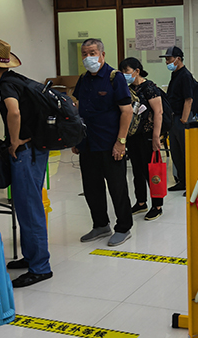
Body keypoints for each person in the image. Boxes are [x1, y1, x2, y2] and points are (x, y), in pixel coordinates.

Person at [0, 37, 53, 287]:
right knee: (28, 206)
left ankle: (40, 267)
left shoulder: (7, 86)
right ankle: (31, 257)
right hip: (37, 150)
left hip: (26, 153)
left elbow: (13, 112)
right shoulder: (18, 80)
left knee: (30, 208)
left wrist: (14, 141)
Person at [72, 39, 133, 246]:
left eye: (92, 53)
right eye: (84, 54)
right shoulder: (83, 79)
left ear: (102, 54)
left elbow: (127, 111)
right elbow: (79, 106)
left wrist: (121, 142)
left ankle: (124, 227)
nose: (88, 58)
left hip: (110, 144)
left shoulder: (115, 78)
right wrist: (76, 137)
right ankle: (100, 225)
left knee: (117, 187)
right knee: (91, 187)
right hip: (88, 143)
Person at [119, 57, 164, 221]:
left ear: (137, 71)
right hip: (132, 135)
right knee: (137, 170)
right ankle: (141, 202)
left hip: (147, 135)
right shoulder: (128, 88)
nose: (125, 74)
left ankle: (157, 205)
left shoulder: (150, 87)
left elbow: (158, 112)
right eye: (122, 71)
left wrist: (155, 136)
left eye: (127, 71)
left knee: (150, 171)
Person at [161, 46, 193, 192]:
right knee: (176, 153)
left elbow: (188, 99)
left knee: (186, 153)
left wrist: (184, 119)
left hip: (181, 119)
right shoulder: (175, 74)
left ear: (178, 59)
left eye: (169, 59)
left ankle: (191, 184)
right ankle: (182, 180)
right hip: (174, 119)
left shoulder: (185, 75)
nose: (167, 61)